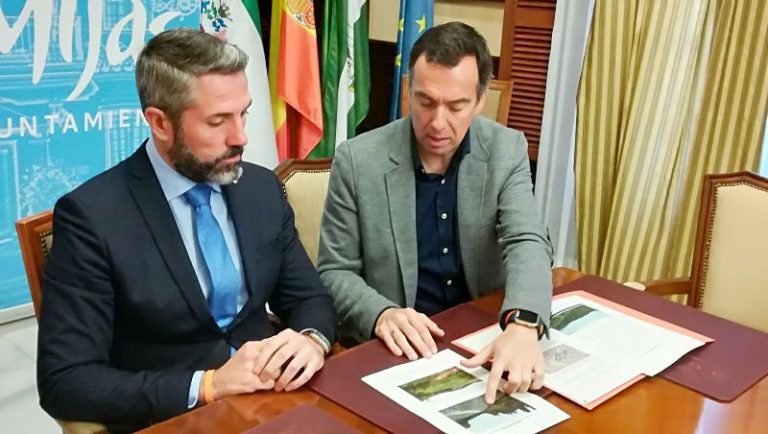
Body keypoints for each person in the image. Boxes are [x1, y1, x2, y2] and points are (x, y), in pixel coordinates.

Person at [37, 28, 335, 432]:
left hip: (276, 403)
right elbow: (65, 381)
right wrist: (208, 385)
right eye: (217, 121)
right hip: (176, 416)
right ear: (160, 122)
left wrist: (312, 340)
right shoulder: (92, 217)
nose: (241, 137)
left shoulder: (260, 188)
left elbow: (308, 296)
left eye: (244, 113)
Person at [318, 22, 553, 405]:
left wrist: (524, 324)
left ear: (479, 101)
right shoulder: (358, 160)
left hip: (483, 335)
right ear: (408, 91)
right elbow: (334, 271)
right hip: (400, 351)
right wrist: (381, 314)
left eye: (456, 106)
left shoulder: (506, 149)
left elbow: (526, 238)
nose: (438, 122)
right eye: (425, 102)